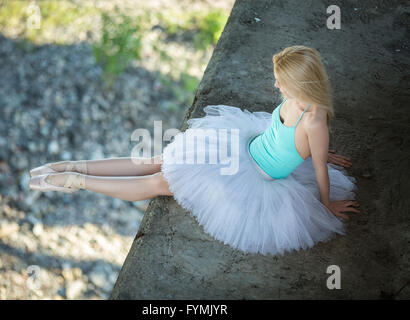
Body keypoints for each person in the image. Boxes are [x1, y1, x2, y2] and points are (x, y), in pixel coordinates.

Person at [29, 45, 360, 255]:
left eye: (282, 82)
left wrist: (326, 202)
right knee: (155, 167)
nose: (277, 87)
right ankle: (73, 171)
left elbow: (317, 169)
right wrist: (317, 152)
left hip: (249, 176)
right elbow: (283, 136)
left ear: (302, 86)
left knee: (158, 178)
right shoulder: (300, 104)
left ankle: (75, 174)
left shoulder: (315, 124)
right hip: (243, 148)